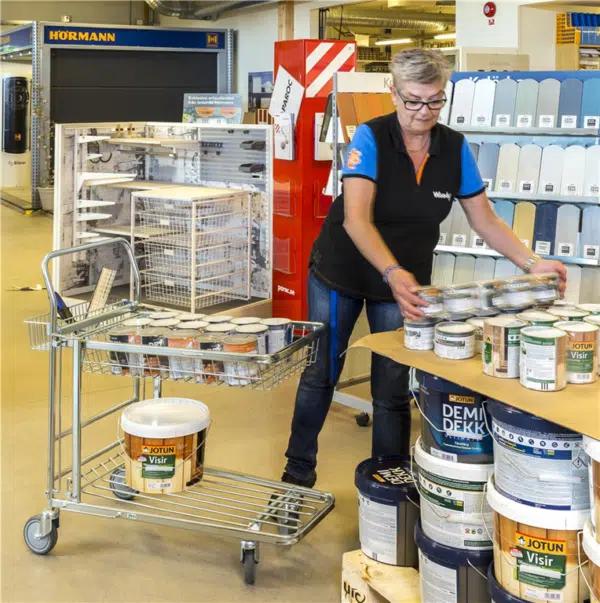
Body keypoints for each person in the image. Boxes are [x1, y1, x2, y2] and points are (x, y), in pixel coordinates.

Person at [281, 48, 567, 488]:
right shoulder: (371, 138)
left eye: (434, 101)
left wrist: (531, 262)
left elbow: (484, 219)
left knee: (393, 384)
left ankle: (390, 483)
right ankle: (297, 473)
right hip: (343, 271)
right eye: (413, 100)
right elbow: (356, 220)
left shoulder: (453, 147)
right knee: (321, 374)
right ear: (393, 92)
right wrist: (392, 272)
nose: (423, 111)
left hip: (408, 281)